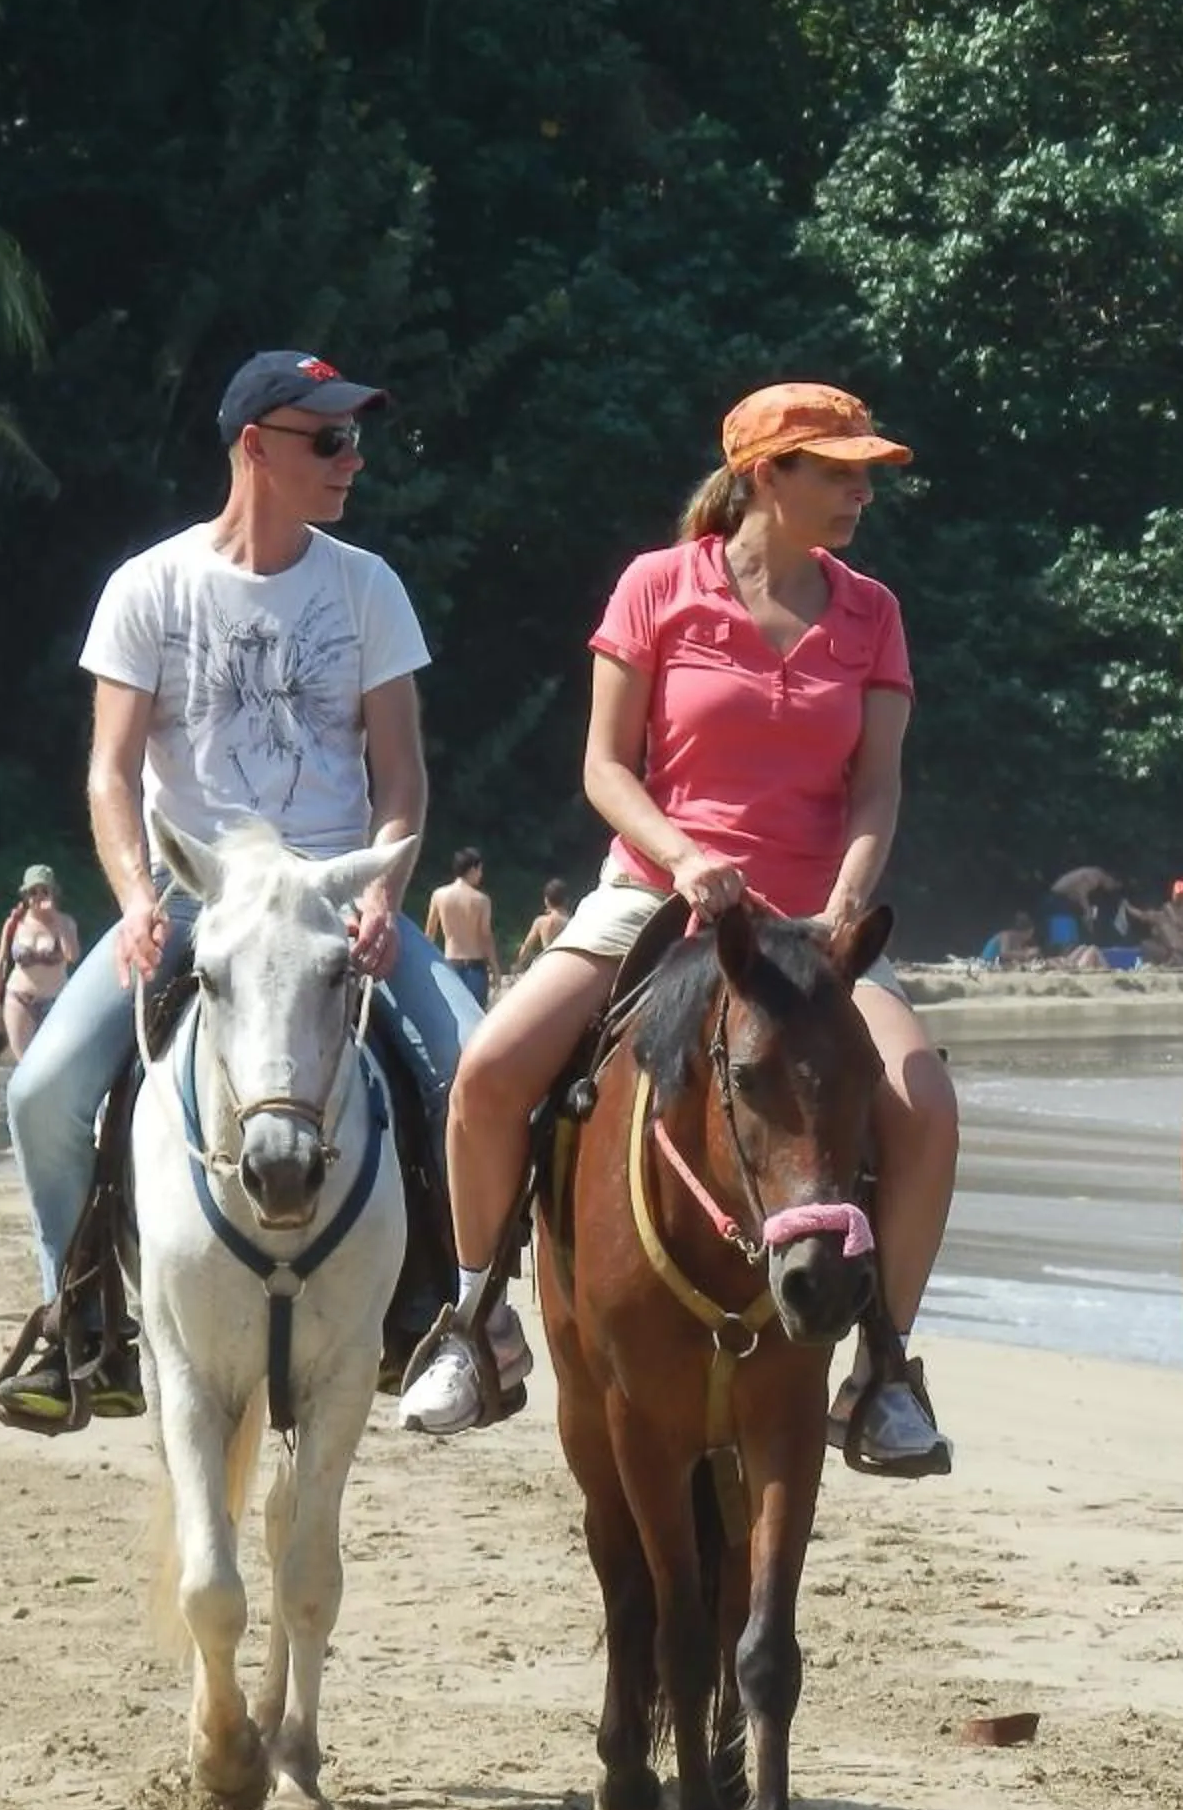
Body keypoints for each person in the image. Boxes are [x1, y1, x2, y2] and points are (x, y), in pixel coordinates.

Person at [405, 381, 959, 1474]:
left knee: (924, 1104)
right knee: (487, 1071)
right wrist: (689, 858)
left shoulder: (872, 611)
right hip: (659, 896)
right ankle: (475, 1321)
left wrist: (849, 896)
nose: (859, 492)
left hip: (812, 919)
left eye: (864, 473)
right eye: (835, 470)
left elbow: (877, 787)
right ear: (764, 475)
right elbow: (605, 767)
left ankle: (885, 1364)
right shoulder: (659, 587)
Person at [0, 347, 482, 1416]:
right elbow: (111, 772)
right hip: (195, 900)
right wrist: (134, 899)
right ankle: (77, 1322)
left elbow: (400, 778)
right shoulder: (149, 588)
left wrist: (381, 895)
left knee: (477, 1071)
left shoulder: (369, 588)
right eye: (329, 439)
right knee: (40, 1096)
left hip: (333, 900)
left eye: (354, 438)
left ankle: (453, 1317)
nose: (351, 460)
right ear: (255, 447)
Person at [0, 866, 82, 1064]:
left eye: (44, 891)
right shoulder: (15, 923)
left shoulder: (65, 922)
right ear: (25, 895)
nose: (38, 897)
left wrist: (55, 919)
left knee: (55, 1062)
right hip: (19, 998)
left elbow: (72, 956)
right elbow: (2, 963)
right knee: (25, 1064)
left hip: (55, 1000)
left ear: (53, 894)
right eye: (33, 892)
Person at [421, 847, 498, 1007]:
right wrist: (495, 968)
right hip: (475, 966)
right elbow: (485, 936)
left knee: (453, 1015)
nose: (481, 875)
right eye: (480, 870)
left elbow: (430, 934)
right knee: (476, 1019)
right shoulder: (482, 900)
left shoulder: (439, 895)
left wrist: (426, 966)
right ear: (472, 869)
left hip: (450, 963)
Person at [510, 876, 573, 976]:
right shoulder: (574, 922)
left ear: (546, 900)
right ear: (566, 900)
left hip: (548, 967)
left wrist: (518, 964)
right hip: (569, 968)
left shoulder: (541, 922)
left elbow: (527, 946)